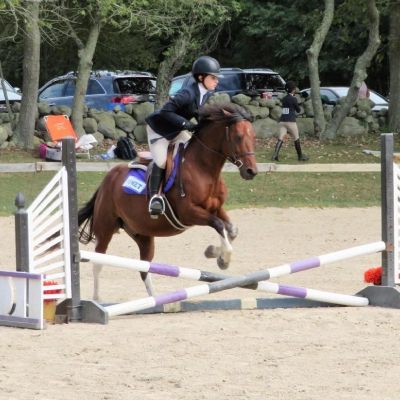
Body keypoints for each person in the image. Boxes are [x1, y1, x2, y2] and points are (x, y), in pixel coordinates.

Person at [145, 55, 221, 216]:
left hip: (176, 130)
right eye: (213, 77)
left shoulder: (205, 94)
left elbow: (198, 114)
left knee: (195, 148)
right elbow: (166, 111)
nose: (217, 81)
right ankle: (154, 199)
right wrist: (186, 124)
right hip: (159, 131)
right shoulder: (187, 93)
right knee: (160, 161)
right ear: (201, 77)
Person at [271, 80, 309, 162]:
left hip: (282, 121)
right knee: (296, 138)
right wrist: (298, 103)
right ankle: (300, 156)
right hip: (291, 121)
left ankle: (275, 155)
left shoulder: (284, 99)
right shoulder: (294, 99)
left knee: (281, 138)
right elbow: (298, 110)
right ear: (293, 90)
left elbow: (286, 109)